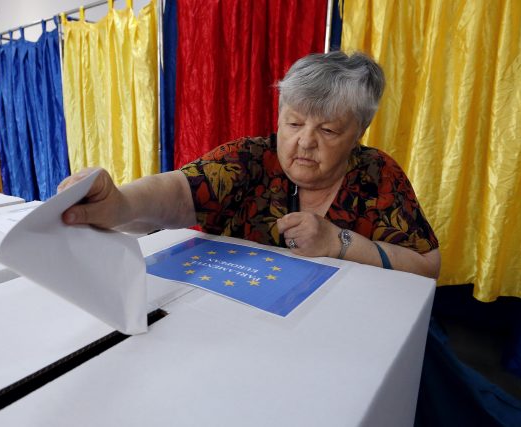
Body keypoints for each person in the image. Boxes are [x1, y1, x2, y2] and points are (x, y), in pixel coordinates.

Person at [59, 51, 441, 278]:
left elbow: (428, 265)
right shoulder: (250, 159)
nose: (305, 141)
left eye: (327, 129)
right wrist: (120, 205)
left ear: (359, 131)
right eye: (293, 123)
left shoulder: (377, 175)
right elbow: (180, 191)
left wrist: (337, 242)